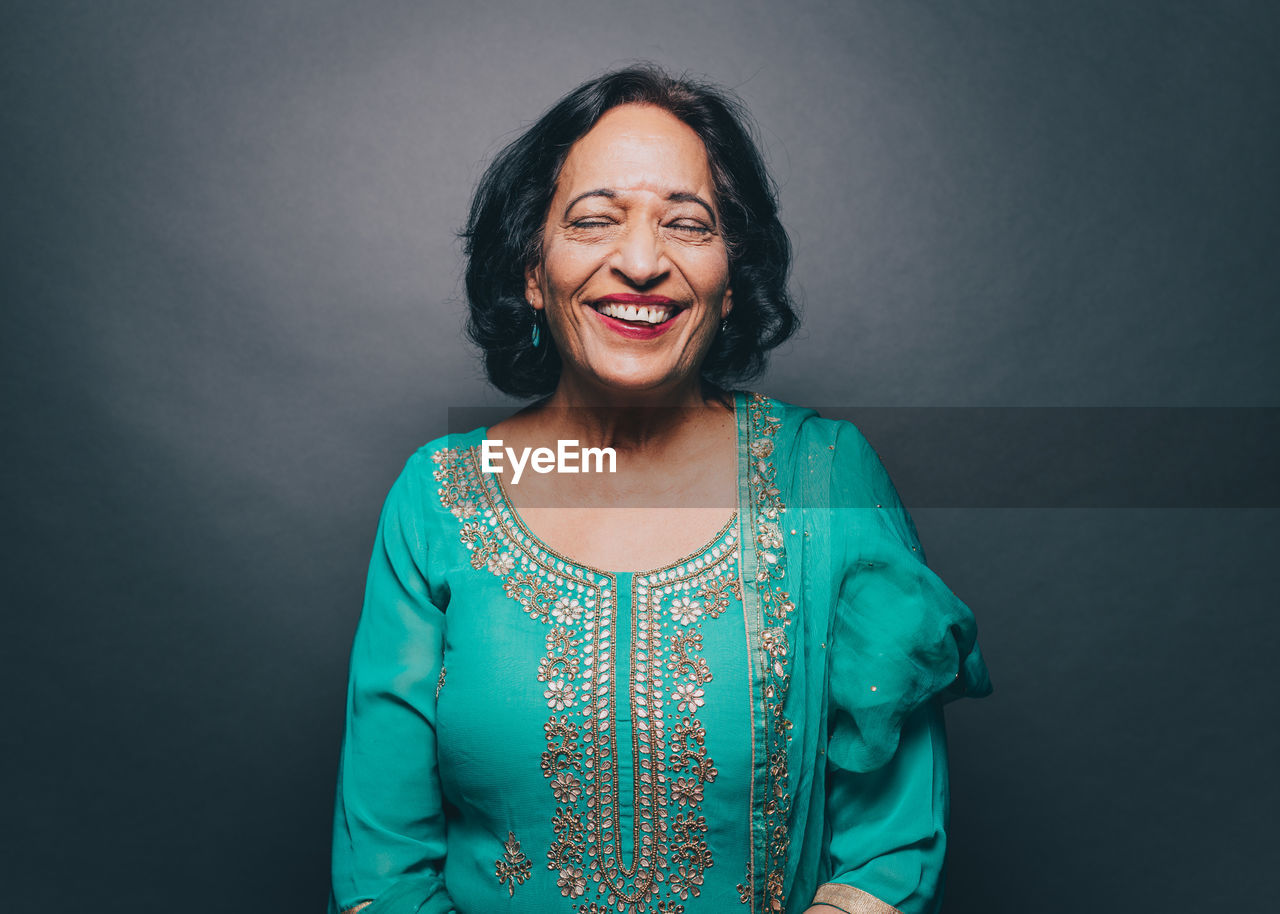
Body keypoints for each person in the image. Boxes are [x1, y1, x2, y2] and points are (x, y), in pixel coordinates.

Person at [327, 64, 990, 914]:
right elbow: (384, 869)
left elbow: (883, 855)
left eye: (688, 224)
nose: (642, 262)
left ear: (728, 276)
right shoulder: (440, 498)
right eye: (594, 220)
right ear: (533, 268)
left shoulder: (824, 478)